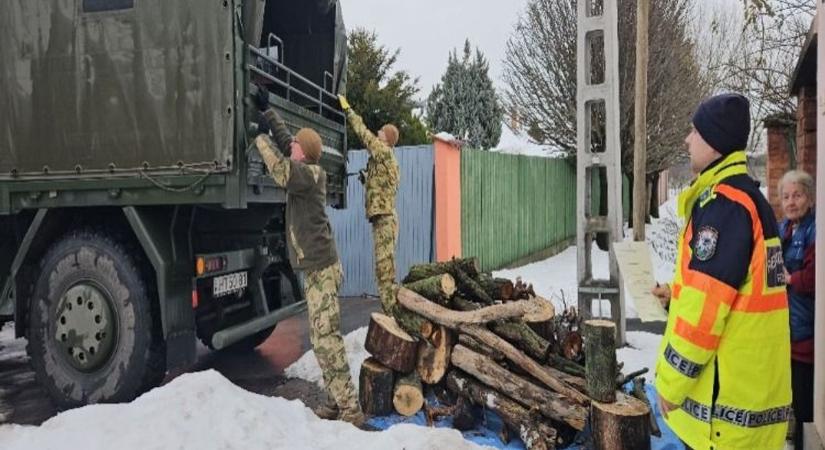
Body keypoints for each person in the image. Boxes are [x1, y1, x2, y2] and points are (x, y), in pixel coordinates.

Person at [652, 93, 791, 450]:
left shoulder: (724, 208)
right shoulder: (747, 201)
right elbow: (732, 291)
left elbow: (705, 311)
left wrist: (669, 384)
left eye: (694, 132)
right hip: (751, 401)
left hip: (726, 412)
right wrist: (675, 292)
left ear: (713, 142)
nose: (687, 140)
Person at [251, 90, 365, 427]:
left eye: (298, 146)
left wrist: (258, 137)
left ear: (306, 153)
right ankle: (334, 399)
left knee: (326, 340)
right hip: (319, 267)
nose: (293, 147)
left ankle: (351, 409)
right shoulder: (307, 167)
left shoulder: (307, 176)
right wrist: (268, 112)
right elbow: (289, 143)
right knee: (321, 338)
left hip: (321, 270)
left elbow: (280, 168)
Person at [337, 95, 401, 315]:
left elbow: (362, 133)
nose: (378, 133)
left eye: (382, 132)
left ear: (388, 139)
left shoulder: (382, 151)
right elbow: (383, 184)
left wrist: (349, 110)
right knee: (385, 268)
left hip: (384, 218)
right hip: (385, 217)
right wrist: (368, 178)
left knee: (384, 270)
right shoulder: (384, 159)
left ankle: (391, 314)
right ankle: (391, 310)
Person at [777, 169, 816, 450]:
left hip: (807, 336)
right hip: (784, 333)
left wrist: (790, 278)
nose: (791, 202)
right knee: (787, 398)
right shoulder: (782, 229)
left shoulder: (816, 230)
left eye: (798, 195)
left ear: (810, 198)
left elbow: (816, 277)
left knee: (805, 407)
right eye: (786, 196)